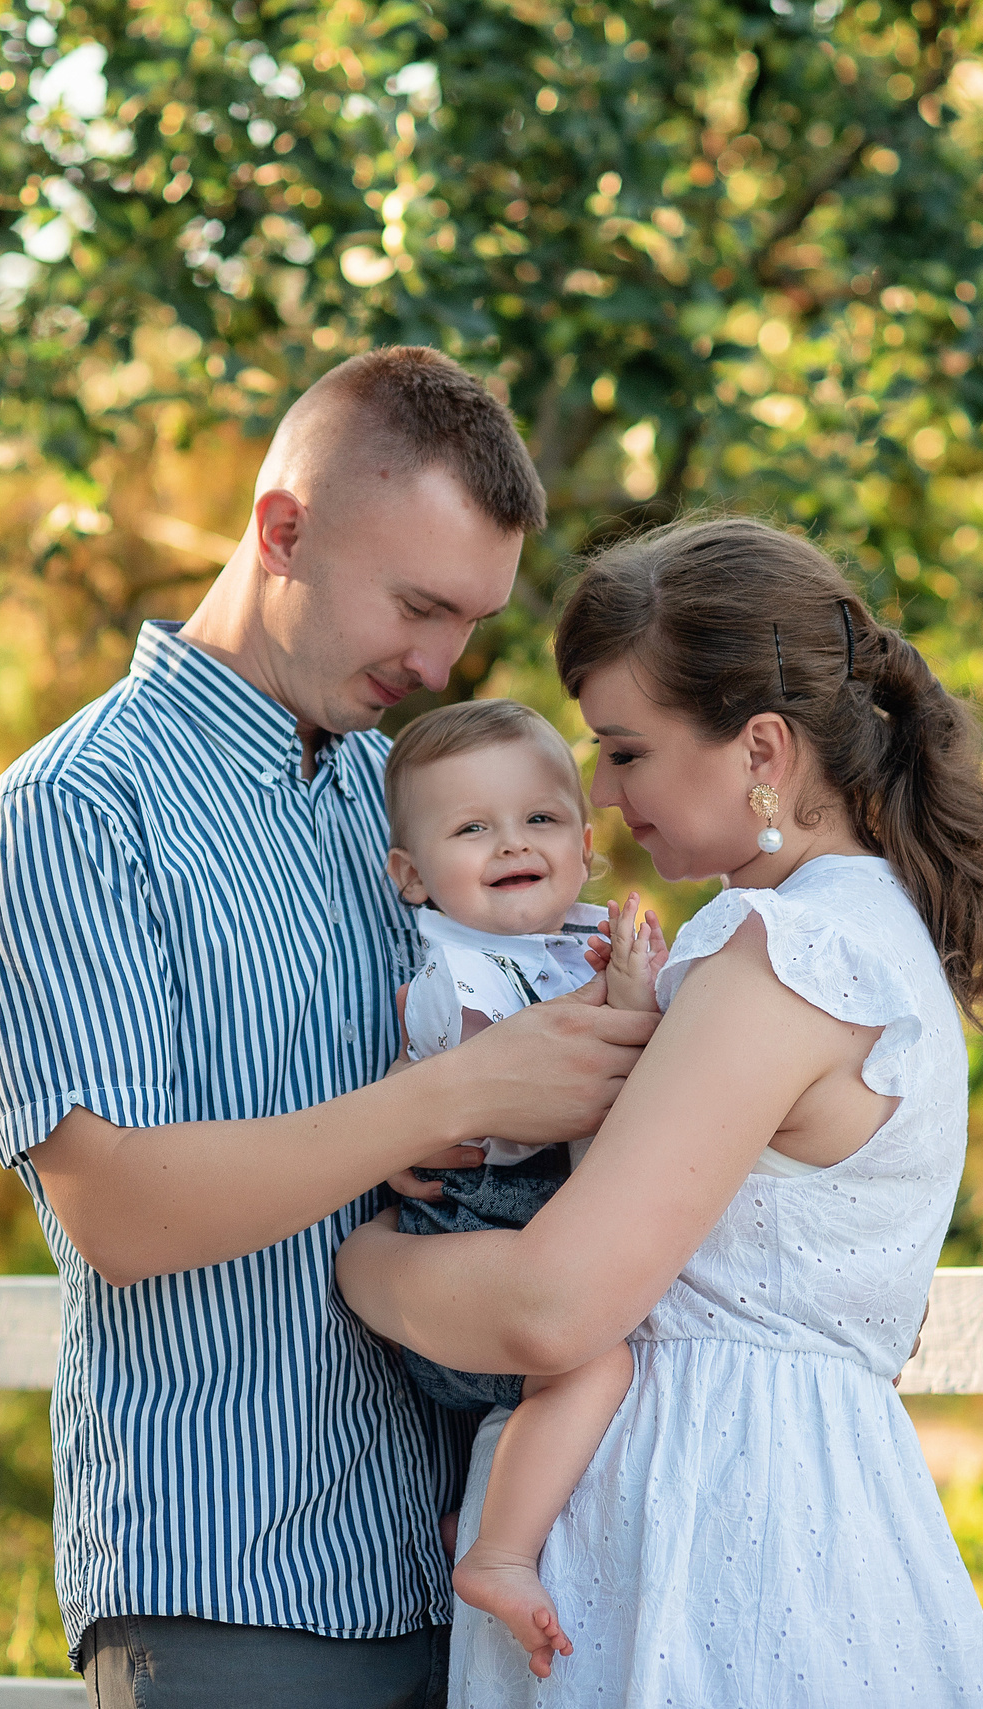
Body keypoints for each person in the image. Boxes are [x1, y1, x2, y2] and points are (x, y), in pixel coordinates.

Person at [0, 347, 658, 1709]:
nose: (441, 662)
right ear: (282, 530)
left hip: (466, 1567)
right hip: (234, 1590)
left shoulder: (411, 802)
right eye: (420, 605)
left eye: (470, 624)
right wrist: (445, 1101)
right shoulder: (79, 815)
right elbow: (118, 1212)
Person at [336, 514, 983, 1705]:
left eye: (624, 749)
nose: (599, 795)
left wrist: (358, 1257)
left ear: (760, 747)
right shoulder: (870, 939)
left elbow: (553, 1303)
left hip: (712, 1517)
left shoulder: (785, 951)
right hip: (796, 1496)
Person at [377, 699, 667, 1677]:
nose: (512, 842)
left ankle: (485, 1509)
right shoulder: (450, 974)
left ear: (587, 845)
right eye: (472, 828)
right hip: (474, 1228)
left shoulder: (573, 943)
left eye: (539, 819)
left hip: (516, 1230)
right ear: (412, 875)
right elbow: (534, 1081)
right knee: (597, 1363)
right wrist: (625, 1000)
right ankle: (498, 1554)